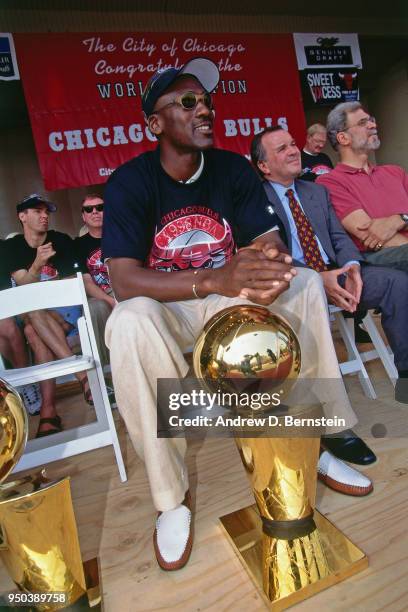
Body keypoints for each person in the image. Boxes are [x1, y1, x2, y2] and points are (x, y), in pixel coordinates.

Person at [102, 58, 371, 572]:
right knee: (128, 321)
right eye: (187, 102)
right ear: (154, 123)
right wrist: (214, 279)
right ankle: (169, 500)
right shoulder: (129, 183)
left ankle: (320, 436)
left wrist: (268, 271)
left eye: (206, 102)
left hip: (230, 294)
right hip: (169, 304)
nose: (203, 109)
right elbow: (125, 280)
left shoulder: (230, 168)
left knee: (306, 282)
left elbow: (269, 243)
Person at [251, 125, 408, 405]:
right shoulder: (254, 198)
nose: (293, 151)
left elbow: (337, 236)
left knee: (397, 284)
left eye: (292, 144)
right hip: (297, 281)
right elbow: (270, 251)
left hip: (339, 273)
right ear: (263, 165)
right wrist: (316, 276)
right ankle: (317, 397)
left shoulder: (316, 192)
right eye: (282, 149)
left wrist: (352, 267)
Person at [7, 194, 93, 436]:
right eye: (37, 211)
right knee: (32, 327)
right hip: (37, 318)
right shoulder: (10, 247)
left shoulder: (61, 240)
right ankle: (82, 376)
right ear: (22, 216)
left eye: (46, 211)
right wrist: (37, 263)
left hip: (64, 314)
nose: (45, 216)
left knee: (33, 319)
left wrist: (39, 289)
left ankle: (48, 412)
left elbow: (68, 287)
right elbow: (23, 284)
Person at [316, 102, 408, 271]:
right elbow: (369, 234)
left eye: (371, 120)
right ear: (343, 138)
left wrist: (400, 219)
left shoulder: (395, 172)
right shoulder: (329, 182)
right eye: (362, 123)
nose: (373, 125)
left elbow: (396, 222)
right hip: (377, 257)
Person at [0, 238, 42, 414]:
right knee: (2, 333)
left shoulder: (6, 247)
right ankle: (25, 381)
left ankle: (26, 382)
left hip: (18, 304)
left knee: (7, 325)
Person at [73, 194, 115, 368]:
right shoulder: (77, 245)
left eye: (100, 207)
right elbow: (86, 282)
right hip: (100, 292)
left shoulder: (123, 235)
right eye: (89, 209)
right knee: (94, 307)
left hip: (126, 286)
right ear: (83, 216)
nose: (95, 212)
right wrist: (110, 300)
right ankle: (107, 371)